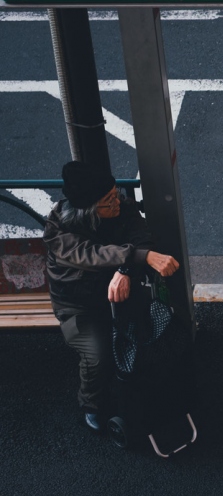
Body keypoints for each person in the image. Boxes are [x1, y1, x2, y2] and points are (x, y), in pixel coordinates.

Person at [44, 161, 180, 432]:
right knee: (97, 355)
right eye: (108, 201)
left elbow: (142, 236)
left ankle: (151, 391)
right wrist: (142, 257)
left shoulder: (121, 207)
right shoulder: (59, 229)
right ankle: (92, 404)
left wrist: (125, 270)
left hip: (119, 295)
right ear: (89, 208)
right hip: (78, 306)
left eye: (116, 193)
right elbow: (93, 254)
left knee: (152, 337)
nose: (117, 202)